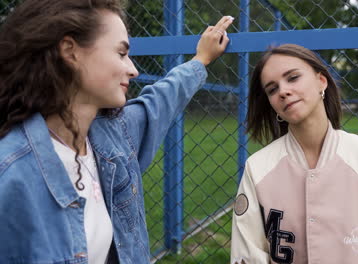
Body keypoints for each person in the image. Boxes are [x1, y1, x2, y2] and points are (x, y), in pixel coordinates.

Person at [0, 0, 233, 263]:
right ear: (70, 51)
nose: (133, 69)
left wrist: (201, 60)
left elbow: (160, 101)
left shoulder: (113, 136)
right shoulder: (11, 176)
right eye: (121, 53)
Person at [230, 44, 358, 264]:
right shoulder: (258, 168)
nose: (283, 91)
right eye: (272, 89)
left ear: (321, 81)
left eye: (292, 78)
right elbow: (246, 254)